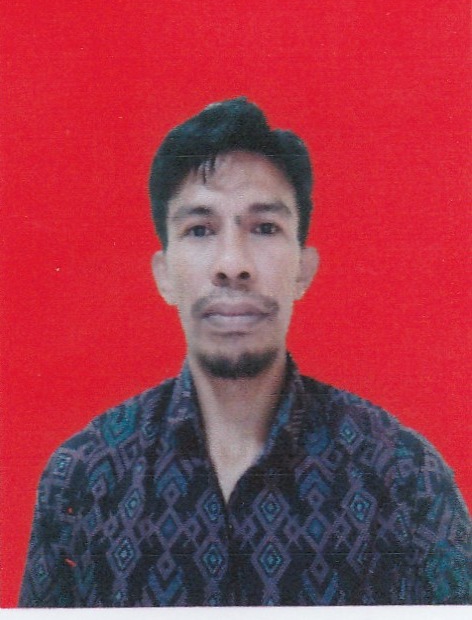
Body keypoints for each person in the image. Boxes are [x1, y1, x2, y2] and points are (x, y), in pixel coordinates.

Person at [19, 98, 471, 607]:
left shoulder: (405, 478)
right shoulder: (83, 478)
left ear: (303, 269)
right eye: (200, 230)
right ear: (163, 275)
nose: (233, 264)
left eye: (264, 228)